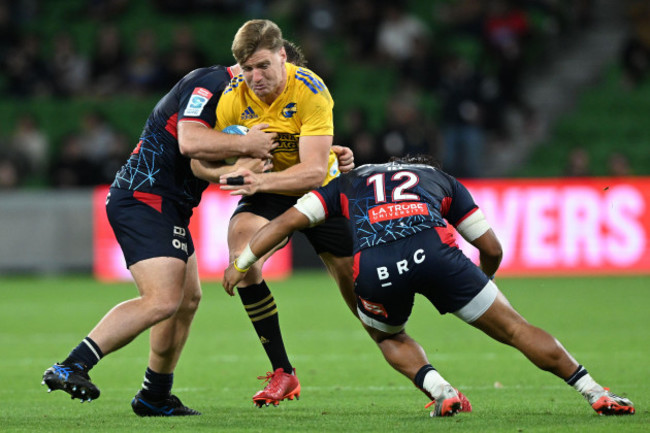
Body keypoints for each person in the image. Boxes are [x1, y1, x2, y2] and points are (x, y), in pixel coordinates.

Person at [41, 39, 354, 416]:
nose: (261, 80)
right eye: (255, 69)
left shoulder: (239, 105)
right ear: (244, 65)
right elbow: (190, 143)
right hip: (144, 196)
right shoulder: (209, 84)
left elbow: (236, 157)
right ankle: (73, 364)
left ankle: (154, 395)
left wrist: (323, 154)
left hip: (170, 205)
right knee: (162, 300)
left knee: (187, 301)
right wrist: (250, 149)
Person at [222, 154, 635, 417]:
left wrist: (242, 263)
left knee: (387, 336)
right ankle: (594, 391)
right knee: (514, 326)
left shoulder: (347, 183)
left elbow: (284, 224)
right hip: (437, 255)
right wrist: (481, 281)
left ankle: (442, 391)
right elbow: (491, 247)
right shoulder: (438, 178)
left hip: (378, 266)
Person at [193, 19, 358, 408]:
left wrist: (255, 183)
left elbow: (315, 170)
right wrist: (229, 173)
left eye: (263, 65)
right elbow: (199, 162)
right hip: (268, 190)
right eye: (247, 68)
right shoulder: (233, 97)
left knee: (364, 302)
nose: (255, 76)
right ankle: (283, 372)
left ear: (283, 56)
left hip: (319, 191)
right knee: (242, 256)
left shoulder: (311, 90)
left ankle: (426, 374)